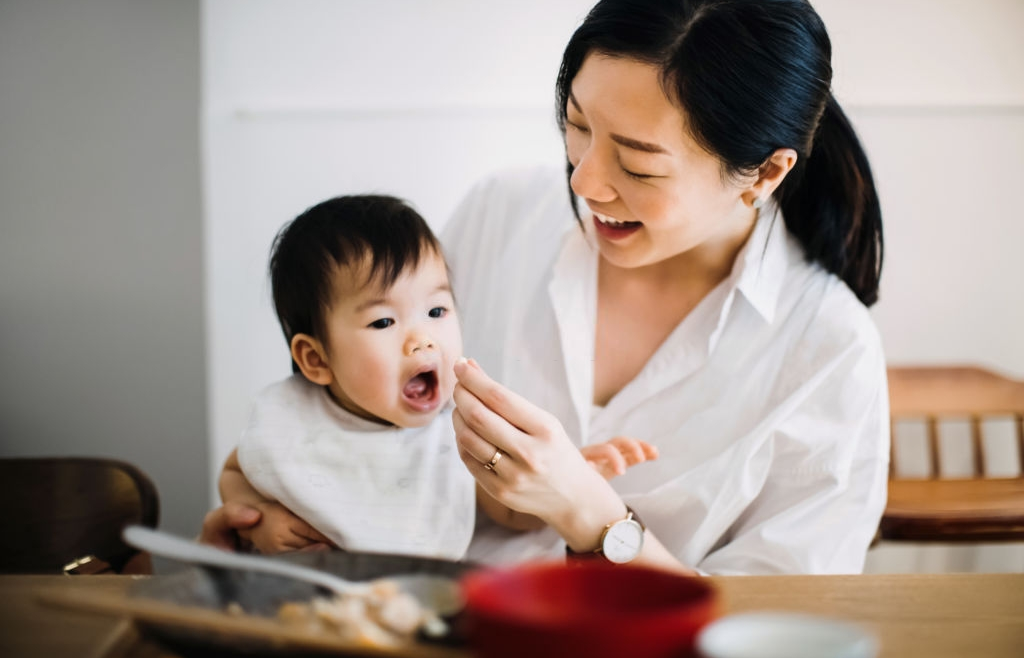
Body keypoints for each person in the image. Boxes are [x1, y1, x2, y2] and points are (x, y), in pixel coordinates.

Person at [203, 0, 888, 575]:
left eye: (639, 164)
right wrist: (270, 514)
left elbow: (777, 626)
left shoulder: (827, 350)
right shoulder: (501, 214)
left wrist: (591, 515)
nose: (585, 183)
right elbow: (347, 413)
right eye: (579, 125)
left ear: (765, 173)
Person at [217, 194, 658, 557]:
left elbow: (507, 509)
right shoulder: (290, 418)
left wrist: (573, 478)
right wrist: (257, 516)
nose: (422, 340)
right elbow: (238, 470)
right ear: (316, 359)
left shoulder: (461, 432)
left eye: (436, 311)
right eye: (383, 323)